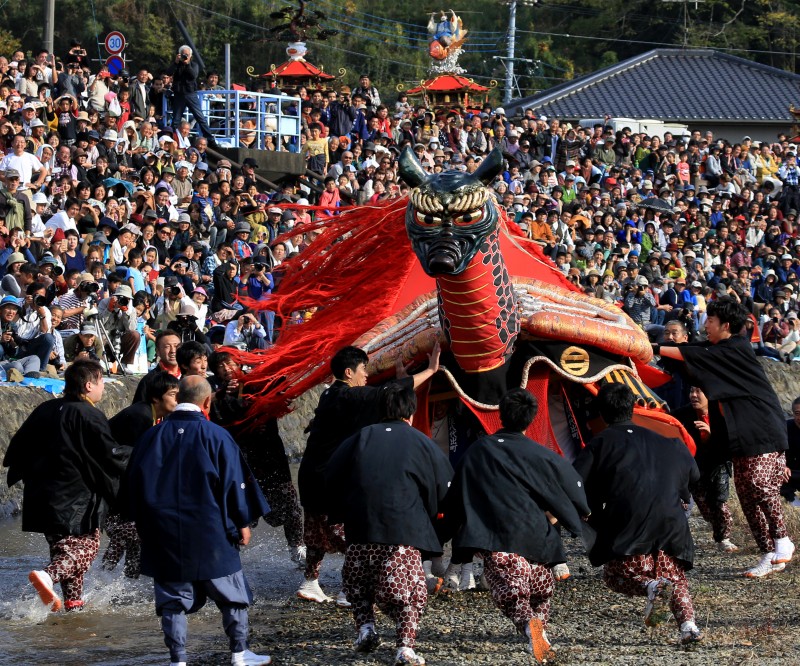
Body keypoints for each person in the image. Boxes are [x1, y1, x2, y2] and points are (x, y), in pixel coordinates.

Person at [127, 376, 270, 666]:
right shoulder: (217, 435)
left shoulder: (151, 436)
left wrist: (142, 524)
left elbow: (132, 486)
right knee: (231, 593)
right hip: (212, 528)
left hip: (163, 531)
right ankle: (239, 653)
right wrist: (242, 521)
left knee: (172, 599)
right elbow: (234, 484)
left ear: (178, 397)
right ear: (207, 402)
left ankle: (177, 659)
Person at [446, 388, 590, 662]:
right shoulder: (542, 453)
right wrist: (577, 512)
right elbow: (574, 487)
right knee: (540, 596)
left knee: (513, 596)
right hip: (540, 541)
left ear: (500, 416)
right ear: (532, 419)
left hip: (499, 540)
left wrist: (447, 534)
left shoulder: (479, 450)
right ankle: (540, 637)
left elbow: (456, 496)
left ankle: (530, 628)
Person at [657, 297, 795, 577]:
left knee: (759, 484)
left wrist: (650, 347)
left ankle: (783, 540)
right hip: (738, 434)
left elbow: (694, 355)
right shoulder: (717, 348)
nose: (705, 325)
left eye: (710, 320)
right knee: (747, 497)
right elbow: (692, 352)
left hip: (762, 429)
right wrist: (650, 348)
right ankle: (769, 553)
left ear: (726, 325)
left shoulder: (736, 348)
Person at [296, 343, 441, 604]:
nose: (366, 374)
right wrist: (430, 371)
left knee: (317, 532)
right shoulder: (348, 396)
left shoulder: (329, 395)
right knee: (353, 534)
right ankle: (349, 590)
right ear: (348, 372)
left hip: (311, 475)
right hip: (331, 477)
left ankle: (310, 582)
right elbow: (386, 393)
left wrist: (401, 381)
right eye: (363, 368)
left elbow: (381, 394)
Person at [325, 382, 453, 666]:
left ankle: (366, 629)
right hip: (403, 532)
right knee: (409, 593)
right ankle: (405, 648)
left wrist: (342, 514)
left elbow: (330, 476)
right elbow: (445, 488)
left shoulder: (360, 437)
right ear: (411, 413)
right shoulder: (421, 442)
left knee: (359, 585)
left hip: (360, 529)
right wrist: (433, 521)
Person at [574, 383, 703, 644]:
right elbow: (695, 476)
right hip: (671, 523)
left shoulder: (599, 444)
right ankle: (689, 626)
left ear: (602, 413)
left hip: (628, 525)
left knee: (616, 576)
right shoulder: (668, 442)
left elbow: (574, 481)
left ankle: (651, 587)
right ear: (633, 407)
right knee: (674, 577)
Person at [3, 359, 127, 611]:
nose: (103, 386)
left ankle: (73, 605)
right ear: (89, 385)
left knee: (64, 550)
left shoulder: (45, 408)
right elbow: (110, 454)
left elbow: (17, 448)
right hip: (75, 498)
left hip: (40, 494)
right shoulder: (88, 413)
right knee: (88, 548)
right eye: (101, 381)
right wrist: (137, 454)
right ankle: (48, 576)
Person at [209, 350, 305, 565]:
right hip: (242, 458)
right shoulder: (217, 394)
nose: (226, 369)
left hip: (270, 454)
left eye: (229, 364)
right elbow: (218, 418)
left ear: (239, 363)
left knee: (289, 503)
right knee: (241, 506)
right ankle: (229, 552)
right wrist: (224, 395)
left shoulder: (258, 382)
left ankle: (297, 546)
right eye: (221, 367)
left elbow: (280, 387)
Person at [102, 371, 180, 578]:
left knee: (134, 537)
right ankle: (102, 579)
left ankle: (123, 582)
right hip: (110, 488)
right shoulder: (141, 416)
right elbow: (133, 461)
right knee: (132, 532)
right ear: (156, 397)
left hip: (120, 487)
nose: (178, 400)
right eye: (173, 394)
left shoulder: (154, 416)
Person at [674, 386, 738, 552]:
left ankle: (723, 538)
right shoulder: (683, 414)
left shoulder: (722, 413)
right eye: (691, 391)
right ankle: (716, 528)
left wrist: (711, 435)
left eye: (698, 392)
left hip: (718, 463)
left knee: (720, 502)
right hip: (694, 465)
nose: (694, 395)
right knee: (705, 506)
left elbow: (730, 444)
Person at [165, 46, 217, 147]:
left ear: (191, 56)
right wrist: (175, 62)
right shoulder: (176, 65)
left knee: (200, 117)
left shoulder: (194, 65)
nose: (185, 57)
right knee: (176, 120)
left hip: (191, 94)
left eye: (187, 55)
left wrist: (187, 64)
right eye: (183, 55)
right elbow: (168, 73)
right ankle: (171, 139)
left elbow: (193, 75)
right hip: (179, 95)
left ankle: (210, 140)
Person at [783, 396, 800, 506]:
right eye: (797, 413)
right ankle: (793, 501)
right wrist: (782, 466)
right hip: (790, 472)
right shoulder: (785, 428)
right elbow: (775, 451)